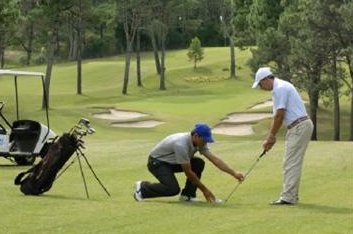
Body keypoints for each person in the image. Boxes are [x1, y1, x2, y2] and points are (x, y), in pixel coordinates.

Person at [133, 123, 244, 203]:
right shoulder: (181, 145)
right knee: (172, 189)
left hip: (170, 162)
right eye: (204, 140)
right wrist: (205, 190)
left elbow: (215, 160)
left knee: (198, 163)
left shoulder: (199, 143)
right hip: (156, 163)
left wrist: (234, 173)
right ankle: (143, 188)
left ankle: (188, 195)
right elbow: (188, 172)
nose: (205, 142)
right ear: (196, 136)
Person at [252, 67, 314, 205]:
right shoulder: (280, 87)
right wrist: (272, 137)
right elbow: (279, 117)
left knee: (291, 162)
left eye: (260, 84)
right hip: (298, 126)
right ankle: (291, 196)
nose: (261, 88)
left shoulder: (280, 88)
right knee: (291, 162)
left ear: (266, 79)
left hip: (299, 126)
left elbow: (280, 115)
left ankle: (288, 198)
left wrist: (271, 136)